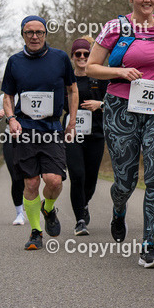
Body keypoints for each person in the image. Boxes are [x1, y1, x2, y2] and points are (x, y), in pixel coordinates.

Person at [85, 0, 154, 268]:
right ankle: (118, 210)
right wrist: (119, 72)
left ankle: (149, 245)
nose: (147, 0)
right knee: (126, 180)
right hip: (120, 108)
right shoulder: (115, 28)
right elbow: (92, 67)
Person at [1, 15, 78, 250]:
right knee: (31, 182)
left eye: (39, 32)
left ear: (45, 34)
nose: (34, 36)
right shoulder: (14, 62)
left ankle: (48, 208)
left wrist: (71, 122)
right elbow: (7, 96)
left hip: (52, 128)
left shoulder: (60, 58)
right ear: (22, 35)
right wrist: (12, 119)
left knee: (53, 181)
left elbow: (73, 90)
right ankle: (36, 232)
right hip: (26, 129)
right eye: (29, 32)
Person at [65, 37, 106, 236]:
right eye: (77, 54)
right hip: (72, 135)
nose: (82, 57)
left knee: (90, 179)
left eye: (86, 54)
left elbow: (114, 102)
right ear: (72, 57)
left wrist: (100, 105)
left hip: (96, 134)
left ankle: (85, 204)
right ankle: (80, 220)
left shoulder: (100, 78)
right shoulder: (66, 80)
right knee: (77, 176)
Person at [0, 94, 26, 226]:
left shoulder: (32, 90)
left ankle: (30, 202)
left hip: (32, 137)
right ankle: (19, 213)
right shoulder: (4, 97)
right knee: (15, 176)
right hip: (10, 138)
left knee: (30, 176)